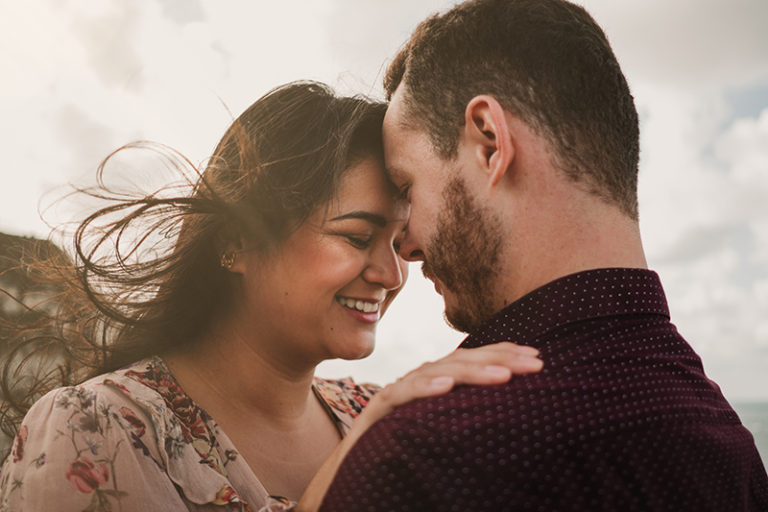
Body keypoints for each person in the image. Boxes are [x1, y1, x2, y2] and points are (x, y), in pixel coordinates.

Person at [0, 81, 544, 511]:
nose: (391, 274)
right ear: (238, 241)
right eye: (356, 238)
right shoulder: (94, 427)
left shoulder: (374, 415)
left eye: (399, 244)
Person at [313, 1, 768, 510]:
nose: (406, 247)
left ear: (489, 142)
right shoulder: (731, 445)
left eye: (407, 186)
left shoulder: (425, 459)